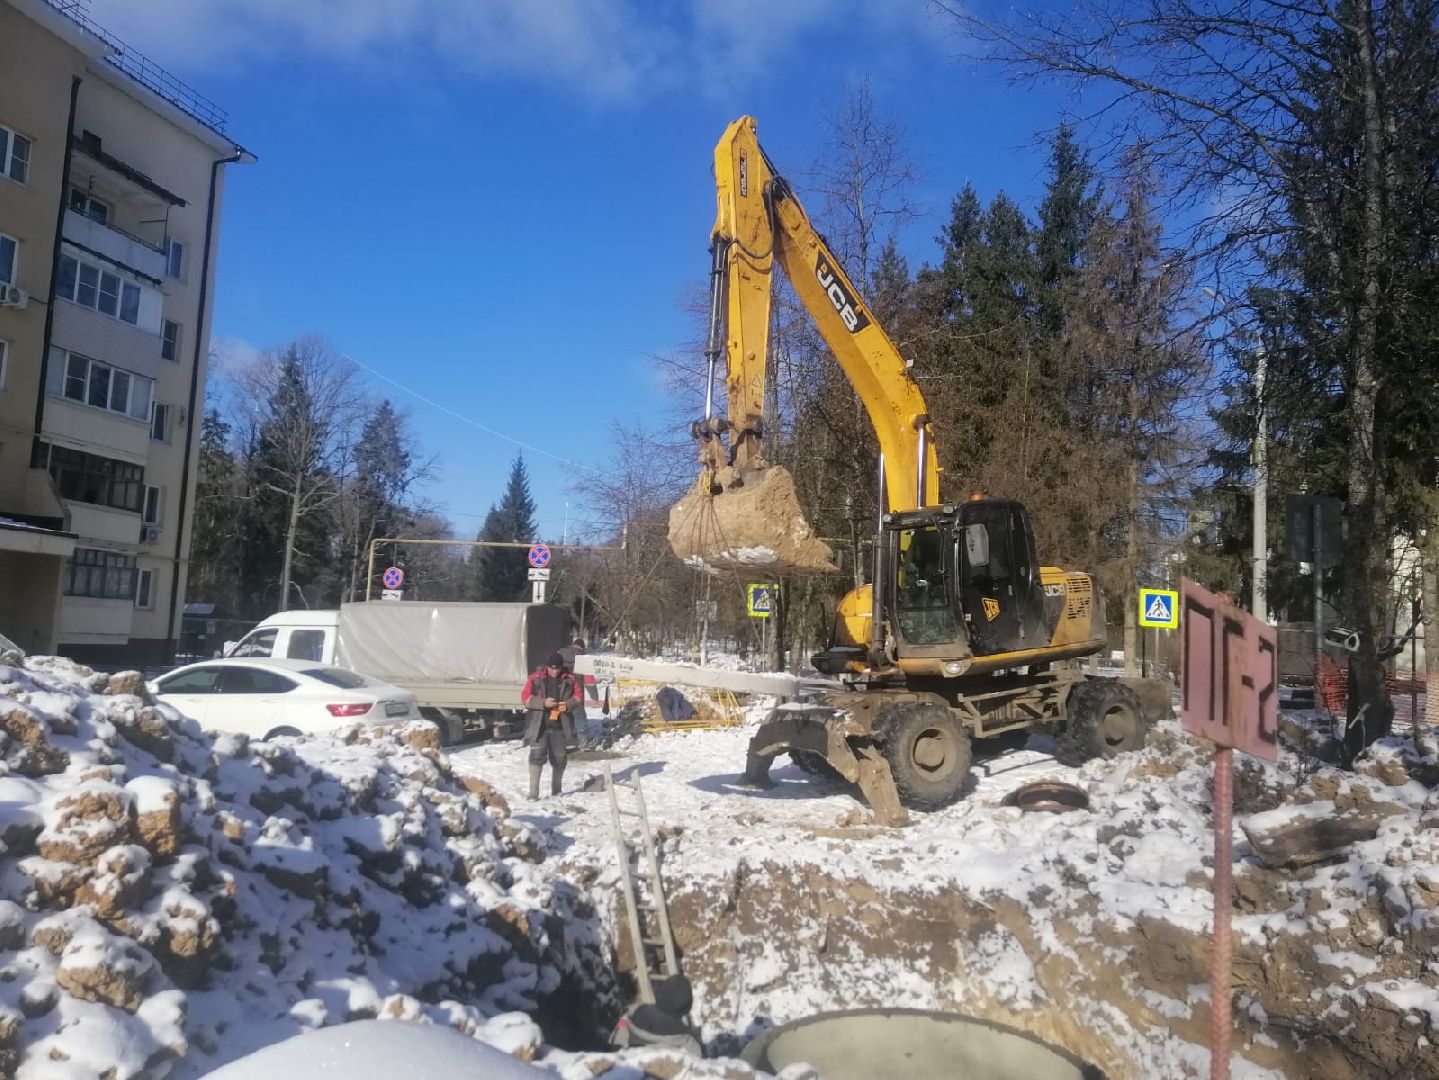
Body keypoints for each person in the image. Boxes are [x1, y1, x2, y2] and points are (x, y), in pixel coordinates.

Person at [522, 652, 576, 798]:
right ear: (547, 667)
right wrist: (542, 703)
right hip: (539, 725)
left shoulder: (570, 679)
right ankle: (533, 793)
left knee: (560, 759)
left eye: (557, 669)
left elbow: (578, 697)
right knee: (536, 757)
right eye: (552, 669)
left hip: (560, 726)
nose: (554, 671)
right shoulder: (535, 678)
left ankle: (557, 790)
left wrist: (568, 705)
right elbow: (525, 698)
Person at [609, 974, 702, 1056]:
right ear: (687, 1008)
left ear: (659, 994)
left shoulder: (629, 1015)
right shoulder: (689, 1044)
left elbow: (614, 1043)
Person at [557, 637, 597, 747]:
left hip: (561, 693)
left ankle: (564, 740)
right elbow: (589, 680)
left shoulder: (560, 653)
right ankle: (583, 741)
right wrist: (594, 696)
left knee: (563, 715)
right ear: (582, 647)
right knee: (580, 716)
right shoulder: (583, 658)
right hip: (576, 694)